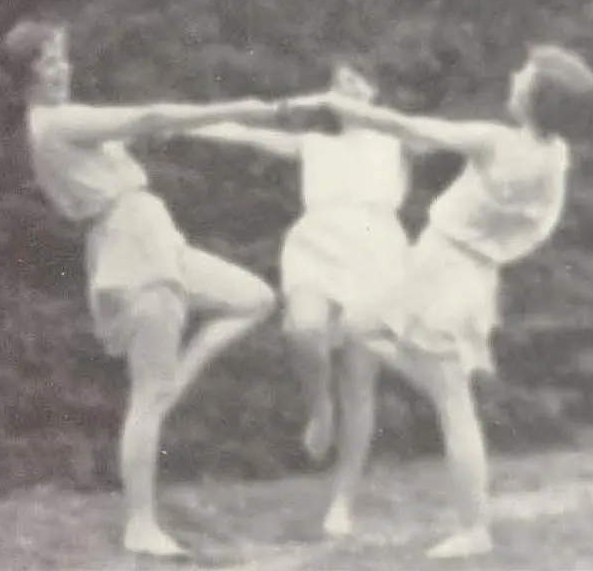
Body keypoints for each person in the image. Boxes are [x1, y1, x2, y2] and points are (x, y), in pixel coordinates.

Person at [289, 44, 593, 558]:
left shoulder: (494, 141)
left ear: (535, 97)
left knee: (452, 404)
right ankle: (441, 375)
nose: (515, 74)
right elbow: (539, 228)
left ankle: (473, 529)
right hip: (460, 272)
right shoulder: (554, 156)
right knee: (359, 330)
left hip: (443, 271)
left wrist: (346, 108)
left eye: (525, 74)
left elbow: (410, 127)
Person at [0, 18, 284, 558]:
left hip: (154, 239)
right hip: (131, 248)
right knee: (148, 397)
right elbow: (150, 116)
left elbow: (145, 127)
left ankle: (180, 377)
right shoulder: (56, 122)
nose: (62, 69)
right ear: (28, 77)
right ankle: (141, 525)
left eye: (61, 57)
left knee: (256, 298)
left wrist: (207, 126)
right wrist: (234, 108)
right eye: (48, 62)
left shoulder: (64, 125)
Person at [179, 63, 429, 537]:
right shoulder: (314, 144)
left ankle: (342, 502)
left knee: (359, 376)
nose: (347, 90)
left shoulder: (397, 141)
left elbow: (445, 138)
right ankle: (319, 407)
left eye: (357, 82)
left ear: (375, 92)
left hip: (377, 251)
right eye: (339, 82)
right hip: (317, 245)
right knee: (303, 328)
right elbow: (243, 134)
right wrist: (182, 122)